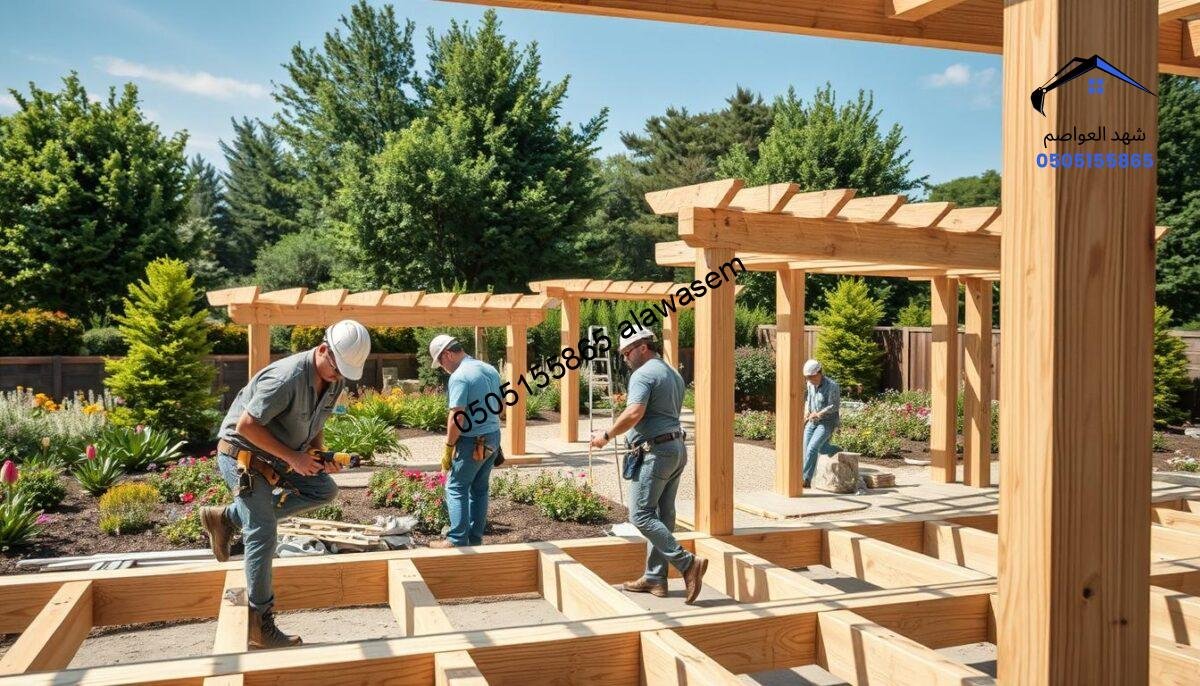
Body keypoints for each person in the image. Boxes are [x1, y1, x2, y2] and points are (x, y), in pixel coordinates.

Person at [200, 319, 371, 649]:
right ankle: (259, 622)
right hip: (242, 452)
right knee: (263, 531)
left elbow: (315, 426)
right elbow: (248, 426)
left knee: (323, 490)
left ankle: (227, 519)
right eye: (337, 370)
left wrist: (319, 455)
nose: (339, 378)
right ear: (323, 350)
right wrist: (294, 460)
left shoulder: (333, 381)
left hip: (280, 453)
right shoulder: (286, 377)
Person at [589, 329, 708, 604]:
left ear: (642, 347)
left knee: (640, 515)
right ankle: (655, 577)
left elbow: (634, 412)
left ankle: (687, 563)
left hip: (656, 452)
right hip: (675, 449)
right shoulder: (672, 373)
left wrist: (606, 436)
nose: (625, 359)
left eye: (627, 352)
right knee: (664, 515)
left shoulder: (643, 375)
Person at [428, 334, 503, 549]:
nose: (443, 368)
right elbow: (501, 407)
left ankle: (457, 540)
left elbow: (457, 418)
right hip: (493, 438)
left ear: (447, 354)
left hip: (472, 442)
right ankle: (475, 539)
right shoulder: (489, 369)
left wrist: (449, 447)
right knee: (480, 489)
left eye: (440, 362)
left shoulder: (460, 376)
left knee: (456, 486)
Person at [801, 358, 842, 489]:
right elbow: (809, 400)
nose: (809, 380)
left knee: (813, 448)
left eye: (811, 377)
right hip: (813, 421)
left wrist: (818, 414)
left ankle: (806, 479)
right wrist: (807, 412)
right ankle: (838, 451)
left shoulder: (832, 386)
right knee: (812, 448)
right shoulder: (810, 384)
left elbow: (834, 406)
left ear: (819, 373)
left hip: (827, 421)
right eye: (807, 378)